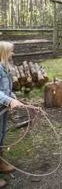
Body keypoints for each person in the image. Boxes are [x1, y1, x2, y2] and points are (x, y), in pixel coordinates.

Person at [0, 41, 25, 188]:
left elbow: (5, 89)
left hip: (2, 108)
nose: (13, 54)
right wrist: (9, 101)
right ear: (3, 53)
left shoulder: (6, 68)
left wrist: (13, 97)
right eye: (10, 51)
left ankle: (0, 162)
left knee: (2, 134)